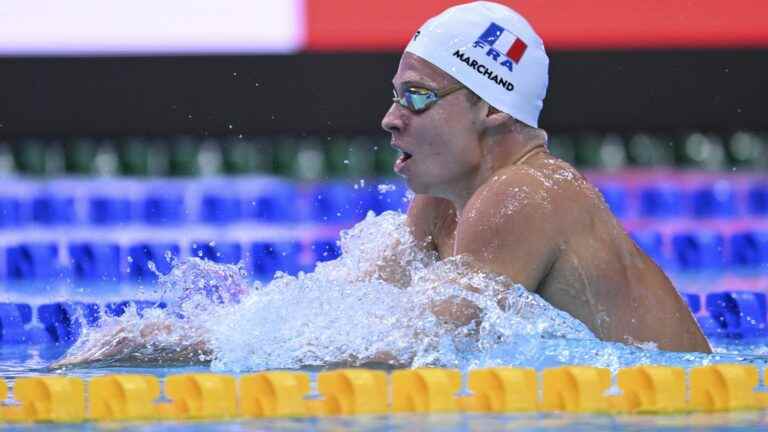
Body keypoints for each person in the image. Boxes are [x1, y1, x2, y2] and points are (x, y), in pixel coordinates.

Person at [380, 1, 710, 352]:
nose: (390, 118)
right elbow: (360, 311)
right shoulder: (441, 202)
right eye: (397, 96)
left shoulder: (523, 194)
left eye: (416, 96)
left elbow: (415, 351)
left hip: (681, 401)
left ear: (492, 108)